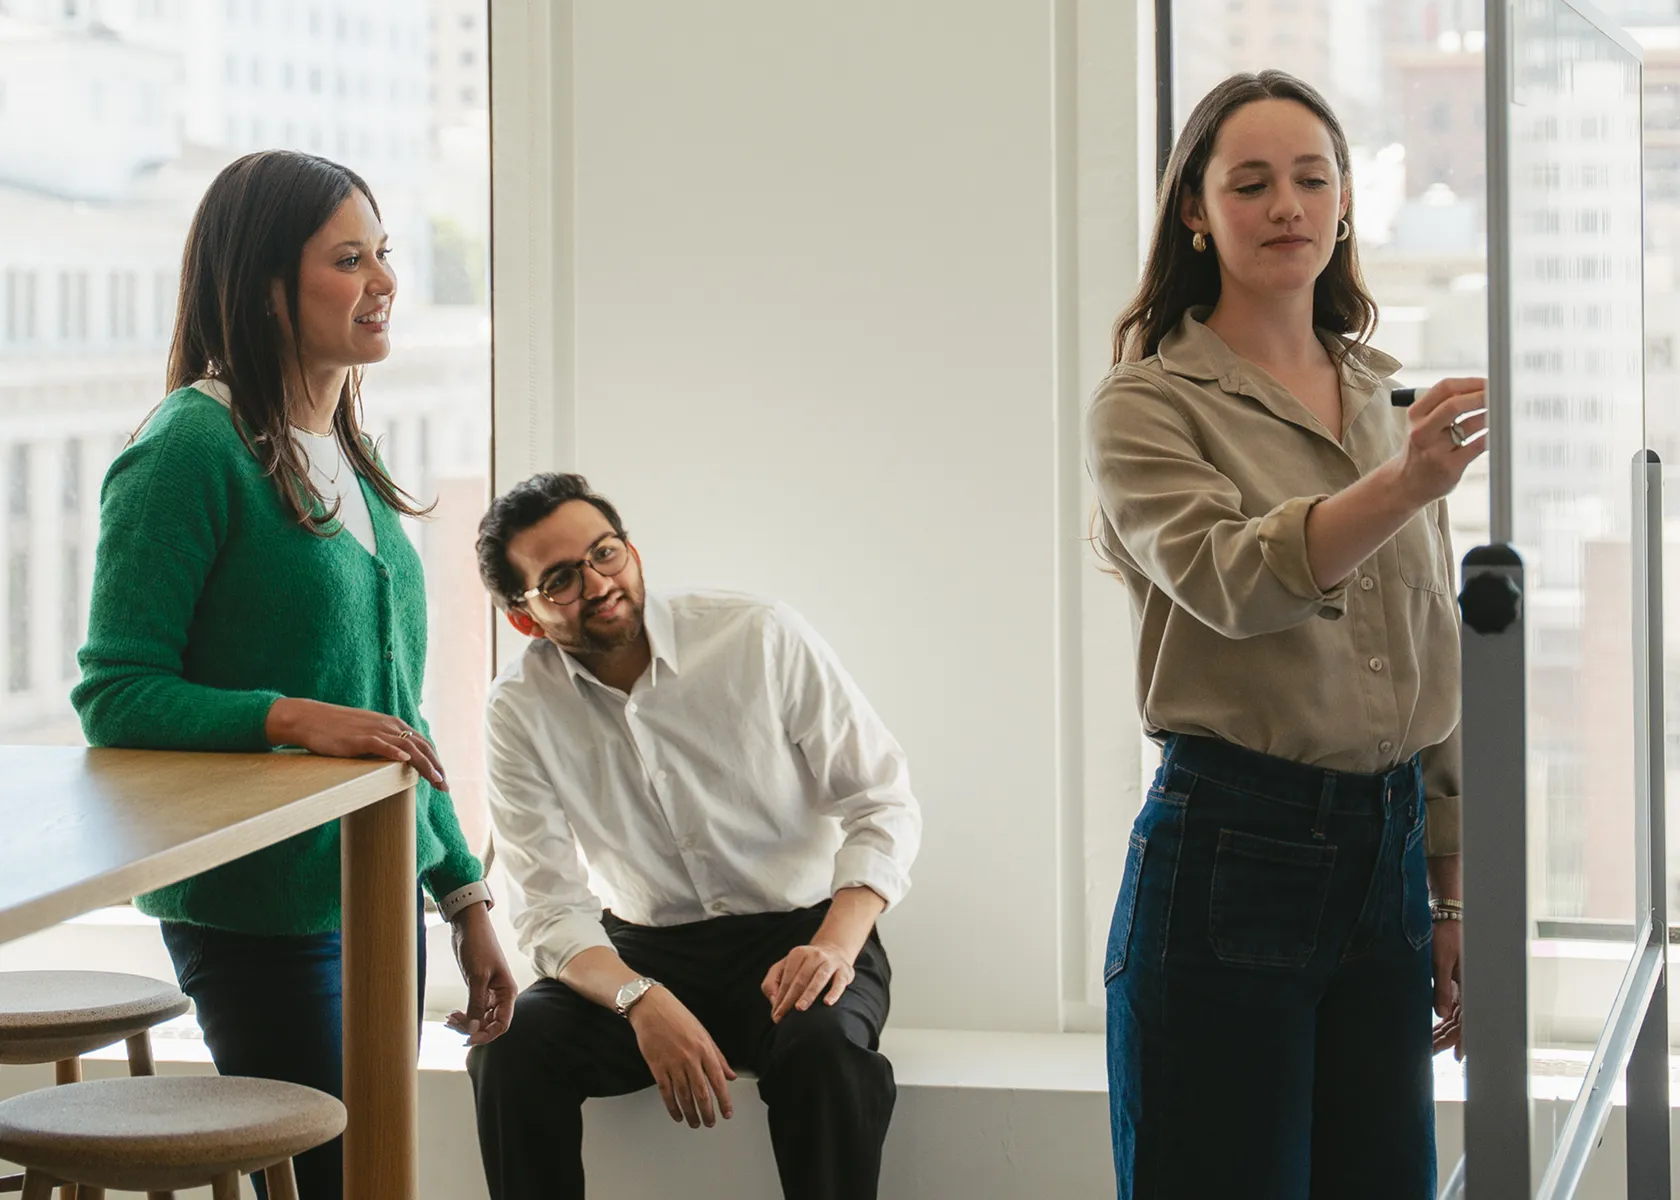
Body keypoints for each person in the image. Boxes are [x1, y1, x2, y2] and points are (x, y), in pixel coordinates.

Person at [71, 150, 517, 1200]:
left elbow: (393, 717)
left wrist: (462, 895)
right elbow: (116, 692)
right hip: (259, 913)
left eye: (384, 254)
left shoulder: (348, 457)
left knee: (375, 1179)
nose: (385, 280)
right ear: (265, 285)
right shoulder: (189, 448)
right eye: (347, 259)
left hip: (378, 895)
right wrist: (293, 718)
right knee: (334, 1182)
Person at [1084, 71, 1480, 1198]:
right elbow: (1233, 581)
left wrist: (1450, 892)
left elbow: (1433, 652)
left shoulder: (1386, 401)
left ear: (1346, 203)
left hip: (1390, 859)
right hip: (1232, 850)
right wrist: (1402, 486)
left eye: (1312, 179)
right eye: (1250, 183)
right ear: (1195, 211)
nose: (1287, 207)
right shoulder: (1148, 403)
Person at [465, 471, 921, 1200]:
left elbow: (881, 800)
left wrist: (836, 946)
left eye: (605, 553)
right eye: (561, 580)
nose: (598, 583)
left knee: (825, 1054)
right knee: (512, 1048)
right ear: (526, 617)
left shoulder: (758, 634)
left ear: (632, 551)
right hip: (644, 949)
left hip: (801, 935)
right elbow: (550, 907)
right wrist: (640, 998)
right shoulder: (517, 708)